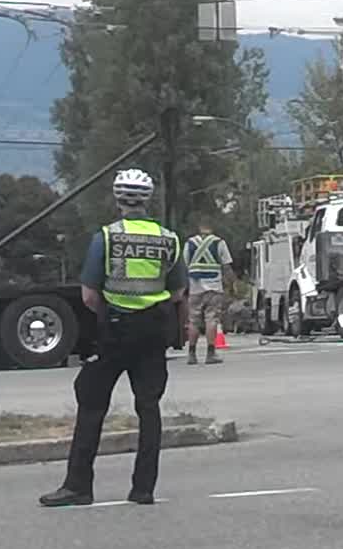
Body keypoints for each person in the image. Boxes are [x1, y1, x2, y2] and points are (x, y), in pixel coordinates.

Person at [39, 168, 187, 508]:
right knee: (149, 407)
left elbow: (89, 295)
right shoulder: (169, 239)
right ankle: (143, 489)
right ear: (148, 199)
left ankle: (78, 486)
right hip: (153, 332)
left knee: (91, 403)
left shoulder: (106, 238)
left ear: (118, 198)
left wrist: (112, 311)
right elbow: (178, 290)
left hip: (115, 330)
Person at [184, 219, 234, 365]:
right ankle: (210, 354)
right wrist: (231, 284)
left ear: (199, 227)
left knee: (193, 321)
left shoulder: (190, 243)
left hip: (195, 287)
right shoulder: (219, 243)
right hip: (214, 287)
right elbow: (226, 266)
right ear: (212, 228)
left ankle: (191, 354)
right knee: (211, 319)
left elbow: (184, 265)